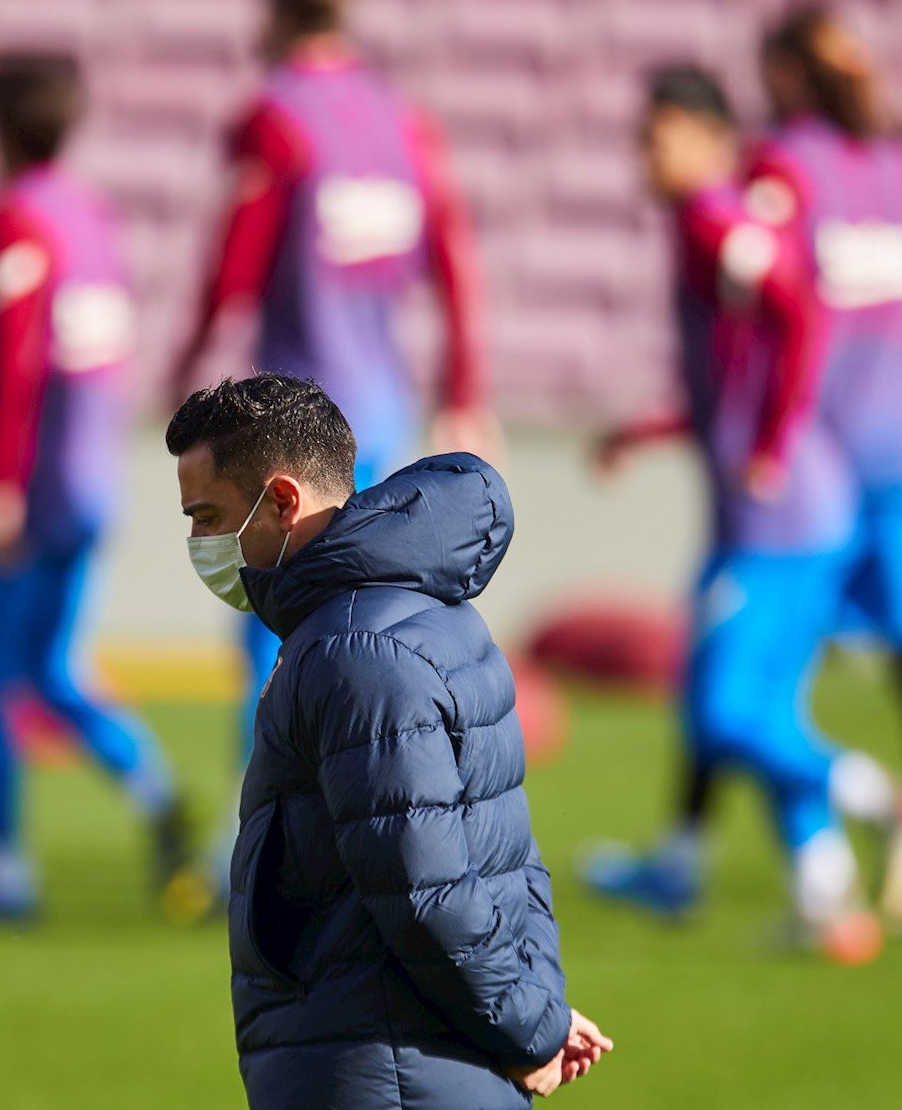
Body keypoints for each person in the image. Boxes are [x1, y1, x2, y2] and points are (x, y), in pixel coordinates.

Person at [167, 375, 610, 1107]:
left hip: (389, 1073)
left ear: (282, 500)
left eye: (208, 516)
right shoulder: (414, 615)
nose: (199, 544)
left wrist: (531, 1029)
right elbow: (503, 857)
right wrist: (539, 1013)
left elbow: (426, 886)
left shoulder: (354, 650)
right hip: (415, 1058)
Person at [166, 0, 497, 882]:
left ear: (275, 11)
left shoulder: (273, 120)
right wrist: (465, 387)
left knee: (267, 619)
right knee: (372, 618)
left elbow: (232, 261)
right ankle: (382, 817)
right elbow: (455, 258)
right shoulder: (403, 122)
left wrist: (188, 366)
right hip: (377, 412)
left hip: (285, 419)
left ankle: (262, 837)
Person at [577, 65, 889, 962]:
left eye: (662, 134)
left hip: (781, 522)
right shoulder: (699, 221)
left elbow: (803, 309)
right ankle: (826, 898)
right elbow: (735, 381)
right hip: (772, 517)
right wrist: (647, 431)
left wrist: (775, 444)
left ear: (712, 139)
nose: (647, 153)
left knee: (722, 712)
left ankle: (888, 802)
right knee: (755, 705)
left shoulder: (716, 218)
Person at [746, 2, 902, 934]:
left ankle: (820, 875)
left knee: (770, 681)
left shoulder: (784, 167)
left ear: (789, 74)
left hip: (820, 471)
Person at [0, 52, 201, 922]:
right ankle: (157, 796)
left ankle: (6, 870)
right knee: (56, 666)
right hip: (94, 478)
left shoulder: (14, 220)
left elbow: (16, 360)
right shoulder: (90, 216)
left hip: (34, 479)